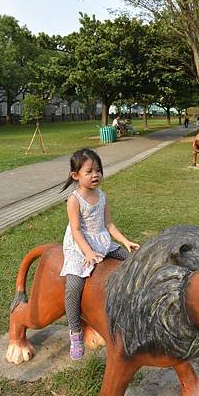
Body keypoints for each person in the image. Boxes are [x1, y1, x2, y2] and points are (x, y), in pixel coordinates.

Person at [60, 148, 140, 360]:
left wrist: (125, 241)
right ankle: (75, 331)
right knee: (73, 286)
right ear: (75, 175)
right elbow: (76, 230)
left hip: (102, 241)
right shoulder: (74, 199)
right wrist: (88, 252)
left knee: (131, 260)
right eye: (89, 171)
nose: (95, 175)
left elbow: (109, 224)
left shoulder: (102, 195)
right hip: (80, 246)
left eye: (98, 170)